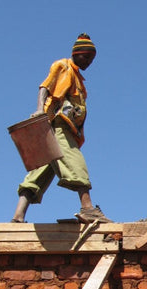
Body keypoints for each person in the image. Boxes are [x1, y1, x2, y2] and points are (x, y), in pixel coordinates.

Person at [11, 33, 112, 224]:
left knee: (39, 172)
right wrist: (40, 110)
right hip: (58, 126)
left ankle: (18, 216)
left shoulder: (79, 80)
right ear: (77, 53)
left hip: (59, 128)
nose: (89, 62)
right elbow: (45, 87)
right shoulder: (63, 66)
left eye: (92, 59)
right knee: (75, 162)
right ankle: (88, 208)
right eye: (87, 57)